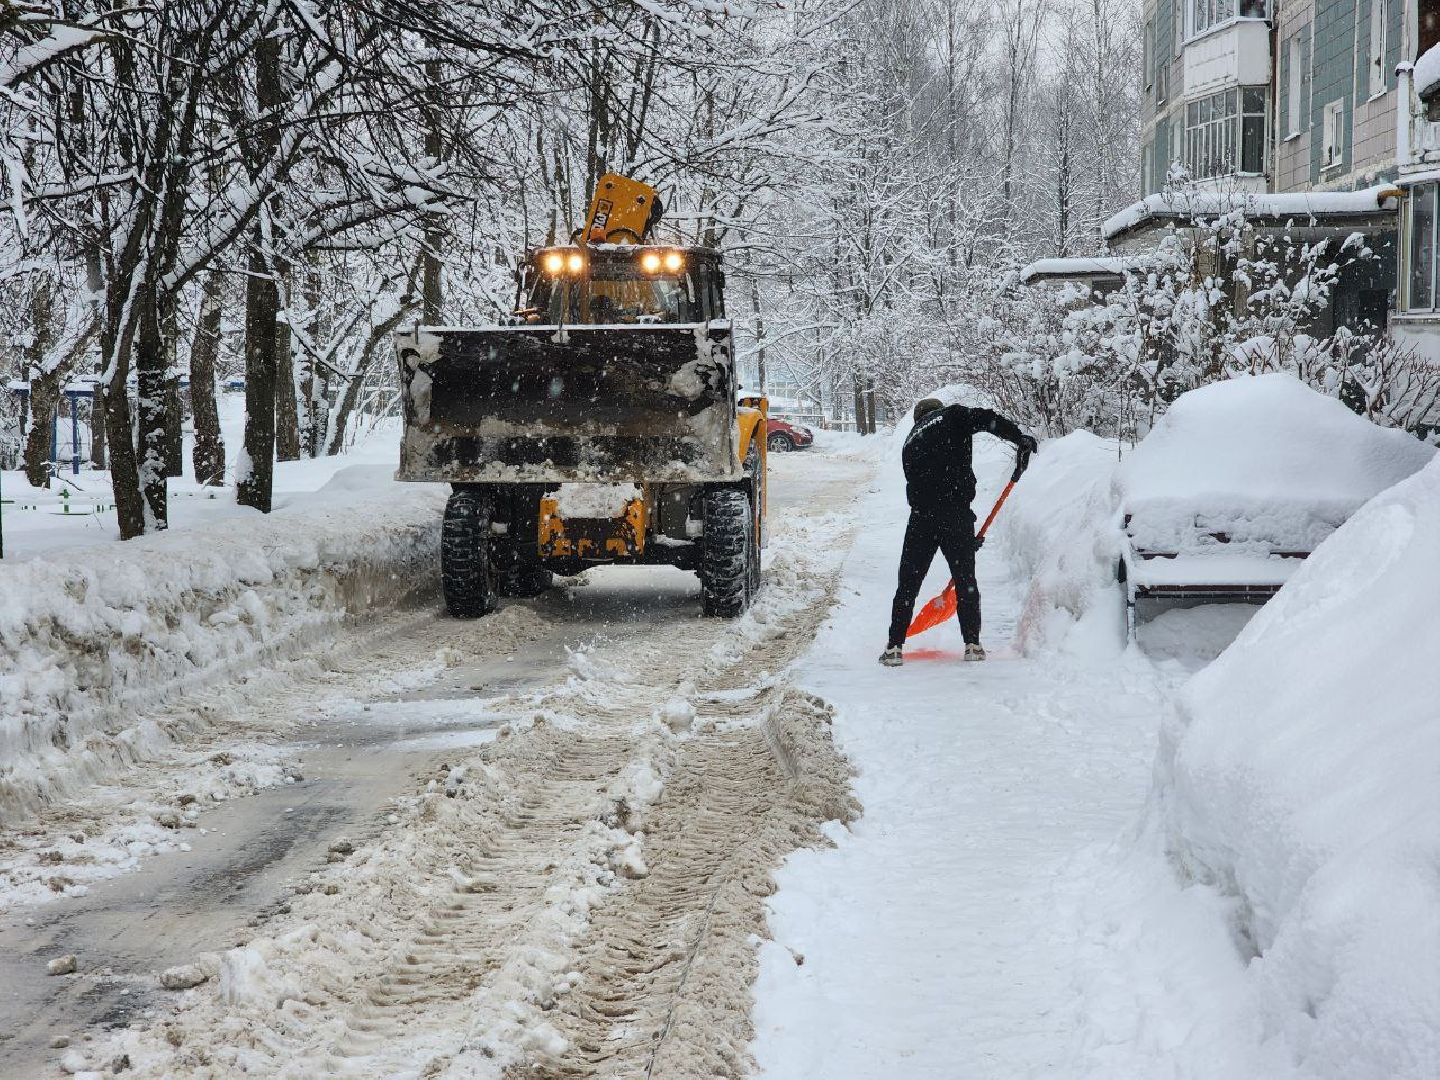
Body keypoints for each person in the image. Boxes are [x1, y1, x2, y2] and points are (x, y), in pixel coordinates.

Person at [879, 397, 1038, 667]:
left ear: (919, 418)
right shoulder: (952, 416)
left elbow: (923, 481)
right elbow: (987, 419)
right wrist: (1017, 437)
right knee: (965, 579)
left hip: (921, 519)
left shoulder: (909, 442)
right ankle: (972, 644)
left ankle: (894, 646)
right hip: (955, 513)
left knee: (908, 583)